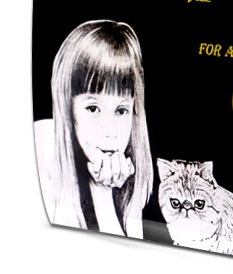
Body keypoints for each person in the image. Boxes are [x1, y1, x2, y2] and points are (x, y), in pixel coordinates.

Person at [34, 20, 153, 238]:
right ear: (68, 109)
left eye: (121, 111)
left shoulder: (128, 169)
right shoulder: (42, 145)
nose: (110, 131)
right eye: (93, 108)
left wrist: (103, 191)